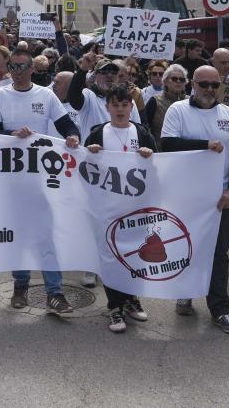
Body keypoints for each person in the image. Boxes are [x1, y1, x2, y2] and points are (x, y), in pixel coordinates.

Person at [0, 48, 81, 315]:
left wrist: (73, 136)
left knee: (46, 235)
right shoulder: (0, 95)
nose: (17, 72)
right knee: (19, 234)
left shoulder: (46, 95)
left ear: (32, 68)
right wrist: (12, 133)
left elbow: (66, 124)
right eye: (13, 67)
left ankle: (55, 292)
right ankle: (21, 286)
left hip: (42, 177)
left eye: (22, 67)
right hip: (12, 177)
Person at [160, 65, 229, 334]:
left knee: (218, 253)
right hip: (186, 196)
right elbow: (168, 145)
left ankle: (220, 309)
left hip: (219, 198)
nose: (209, 90)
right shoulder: (177, 111)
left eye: (215, 85)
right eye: (204, 84)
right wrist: (204, 144)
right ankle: (185, 293)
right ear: (192, 85)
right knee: (187, 247)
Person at [86, 83, 157, 333]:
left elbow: (159, 166)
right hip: (107, 210)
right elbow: (84, 169)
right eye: (115, 105)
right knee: (111, 258)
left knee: (135, 255)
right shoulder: (98, 133)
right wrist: (90, 153)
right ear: (107, 107)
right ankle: (114, 306)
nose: (120, 109)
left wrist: (150, 155)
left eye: (124, 105)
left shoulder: (142, 133)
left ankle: (131, 298)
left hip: (136, 209)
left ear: (131, 107)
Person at [143, 65, 187, 131]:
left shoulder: (190, 101)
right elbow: (144, 126)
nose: (178, 81)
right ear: (165, 81)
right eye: (174, 79)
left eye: (182, 79)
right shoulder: (155, 101)